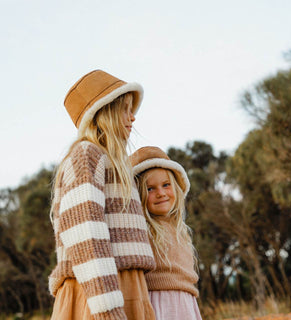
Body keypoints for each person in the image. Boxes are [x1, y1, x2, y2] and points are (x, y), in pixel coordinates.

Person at [49, 70, 156, 320]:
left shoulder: (113, 163)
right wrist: (107, 310)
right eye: (125, 110)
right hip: (99, 292)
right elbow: (85, 235)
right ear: (104, 113)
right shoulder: (87, 155)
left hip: (124, 286)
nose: (132, 118)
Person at [130, 146, 202, 320]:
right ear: (138, 194)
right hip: (157, 304)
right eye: (150, 189)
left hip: (186, 303)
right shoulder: (141, 229)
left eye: (166, 185)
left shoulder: (182, 231)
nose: (161, 193)